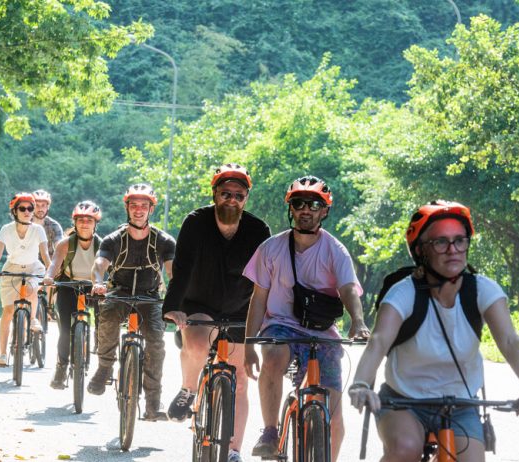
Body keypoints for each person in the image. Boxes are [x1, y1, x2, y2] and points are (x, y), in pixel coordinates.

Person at [348, 200, 519, 462]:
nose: (453, 250)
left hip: (460, 405)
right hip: (403, 401)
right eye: (441, 242)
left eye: (460, 241)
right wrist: (361, 384)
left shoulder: (483, 290)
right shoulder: (404, 293)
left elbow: (510, 341)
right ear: (421, 251)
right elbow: (378, 341)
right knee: (405, 448)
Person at [243, 175, 370, 461]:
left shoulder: (335, 250)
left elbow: (349, 289)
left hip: (322, 332)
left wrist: (358, 322)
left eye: (314, 204)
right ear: (291, 208)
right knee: (273, 358)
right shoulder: (271, 248)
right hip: (281, 326)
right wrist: (249, 345)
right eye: (299, 203)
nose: (306, 210)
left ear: (324, 211)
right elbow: (259, 298)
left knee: (334, 415)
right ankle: (270, 431)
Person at [163, 164, 270, 462]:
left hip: (240, 308)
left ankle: (234, 450)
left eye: (238, 195)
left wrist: (271, 316)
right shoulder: (195, 222)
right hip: (199, 303)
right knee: (196, 343)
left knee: (240, 379)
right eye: (226, 193)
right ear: (215, 194)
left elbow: (266, 279)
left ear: (246, 198)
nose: (231, 200)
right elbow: (181, 268)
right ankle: (188, 390)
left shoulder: (259, 230)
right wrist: (172, 306)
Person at [88, 184, 176, 421]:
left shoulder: (164, 241)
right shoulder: (113, 239)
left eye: (144, 206)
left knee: (156, 344)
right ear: (127, 208)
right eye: (134, 205)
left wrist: (176, 296)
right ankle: (105, 367)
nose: (139, 210)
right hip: (119, 292)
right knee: (107, 317)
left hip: (149, 296)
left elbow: (172, 272)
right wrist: (98, 282)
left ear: (151, 210)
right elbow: (99, 265)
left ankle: (153, 404)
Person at [44, 201, 103, 389]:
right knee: (64, 330)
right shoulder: (66, 243)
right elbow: (54, 264)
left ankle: (99, 339)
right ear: (75, 223)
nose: (85, 223)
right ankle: (61, 368)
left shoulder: (102, 245)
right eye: (80, 220)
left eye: (89, 220)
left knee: (105, 317)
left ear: (95, 224)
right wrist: (48, 277)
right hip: (69, 285)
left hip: (94, 286)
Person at [0, 192, 51, 367]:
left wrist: (51, 273)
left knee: (32, 289)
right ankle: (2, 354)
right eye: (22, 208)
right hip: (12, 268)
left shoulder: (38, 230)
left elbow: (45, 254)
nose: (27, 211)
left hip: (33, 266)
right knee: (8, 311)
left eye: (30, 208)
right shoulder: (6, 229)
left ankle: (32, 319)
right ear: (14, 211)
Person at [32, 189, 63, 258]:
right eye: (37, 205)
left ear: (47, 207)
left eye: (43, 205)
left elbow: (59, 247)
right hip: (28, 263)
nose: (40, 209)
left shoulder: (54, 226)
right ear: (32, 207)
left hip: (48, 264)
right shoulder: (25, 224)